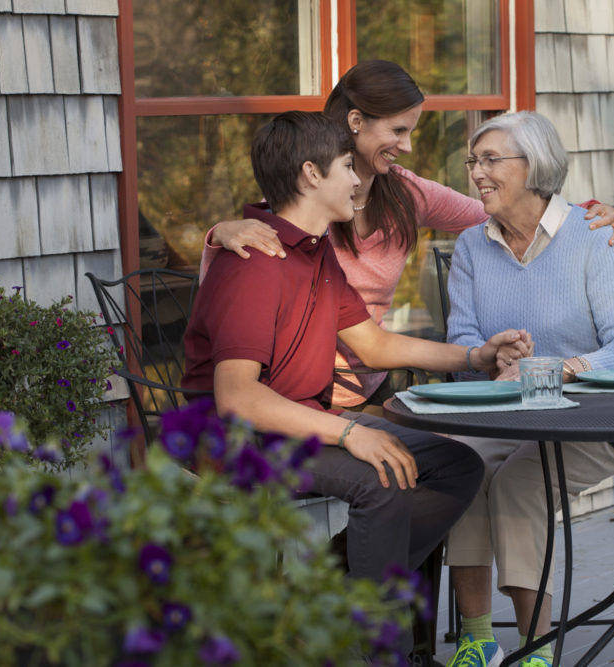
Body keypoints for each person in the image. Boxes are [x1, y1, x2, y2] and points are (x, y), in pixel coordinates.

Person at [181, 110, 533, 658]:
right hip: (235, 438)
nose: (358, 180)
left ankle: (325, 598)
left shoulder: (315, 250)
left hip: (298, 422)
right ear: (310, 175)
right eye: (348, 166)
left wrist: (475, 354)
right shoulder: (254, 261)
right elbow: (237, 397)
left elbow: (373, 345)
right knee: (383, 477)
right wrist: (350, 434)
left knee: (455, 464)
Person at [198, 60, 614, 411]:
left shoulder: (406, 193)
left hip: (374, 378)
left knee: (448, 458)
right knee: (432, 462)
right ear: (355, 122)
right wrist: (221, 232)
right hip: (294, 395)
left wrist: (578, 215)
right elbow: (247, 282)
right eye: (398, 131)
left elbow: (503, 209)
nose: (406, 145)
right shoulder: (312, 197)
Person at [442, 111, 614, 667]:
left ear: (534, 166)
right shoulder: (470, 246)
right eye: (473, 161)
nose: (477, 173)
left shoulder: (592, 235)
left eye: (491, 160)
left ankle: (537, 649)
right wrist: (492, 353)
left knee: (517, 483)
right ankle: (477, 640)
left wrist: (563, 367)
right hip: (507, 415)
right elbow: (461, 340)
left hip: (594, 418)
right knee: (456, 462)